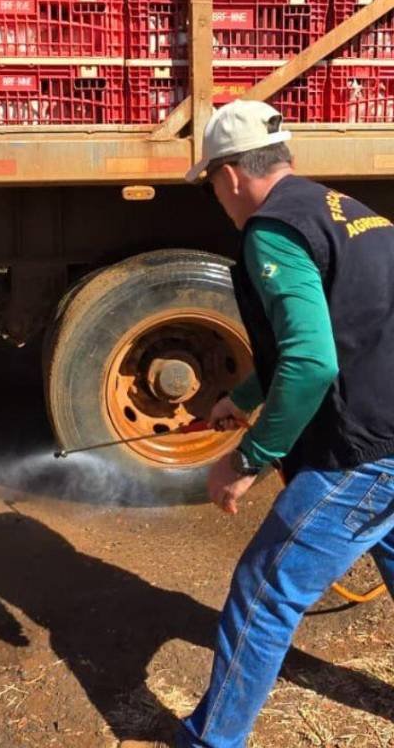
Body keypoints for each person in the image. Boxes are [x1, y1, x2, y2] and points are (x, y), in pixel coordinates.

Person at [178, 99, 394, 747]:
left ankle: (210, 740)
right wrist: (245, 395)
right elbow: (345, 325)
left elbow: (312, 361)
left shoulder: (270, 231)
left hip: (368, 449)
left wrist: (247, 458)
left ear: (231, 175)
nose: (218, 196)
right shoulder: (355, 214)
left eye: (213, 183)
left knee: (263, 592)